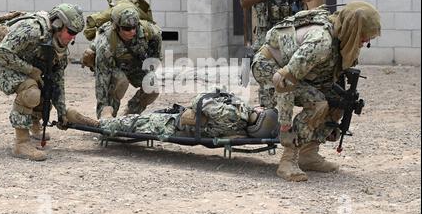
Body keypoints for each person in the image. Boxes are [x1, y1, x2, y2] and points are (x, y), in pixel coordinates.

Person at [251, 1, 381, 181]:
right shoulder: (321, 43)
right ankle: (288, 160)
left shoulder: (340, 35)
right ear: (352, 29)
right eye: (363, 36)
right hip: (270, 68)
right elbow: (284, 81)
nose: (365, 42)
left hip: (296, 72)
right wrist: (285, 125)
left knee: (337, 101)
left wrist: (329, 123)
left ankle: (308, 154)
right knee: (318, 103)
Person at [0, 4, 85, 161]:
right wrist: (31, 71)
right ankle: (21, 143)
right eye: (71, 32)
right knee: (31, 90)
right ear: (58, 24)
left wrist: (62, 113)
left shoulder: (58, 45)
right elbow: (3, 52)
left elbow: (57, 80)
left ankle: (34, 124)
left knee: (45, 86)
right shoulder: (32, 30)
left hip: (16, 60)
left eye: (76, 34)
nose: (73, 37)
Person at [240, 0, 314, 108]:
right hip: (267, 33)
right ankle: (268, 112)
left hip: (290, 32)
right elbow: (244, 1)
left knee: (293, 71)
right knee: (265, 72)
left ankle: (290, 106)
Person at [65, 91, 279, 140]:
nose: (259, 107)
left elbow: (200, 102)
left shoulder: (232, 114)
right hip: (180, 121)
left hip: (172, 125)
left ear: (259, 116)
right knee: (138, 121)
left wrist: (216, 94)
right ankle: (109, 120)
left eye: (262, 111)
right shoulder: (241, 128)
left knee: (133, 123)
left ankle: (99, 124)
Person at [83, 3, 163, 119]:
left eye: (134, 27)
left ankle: (129, 117)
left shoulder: (149, 31)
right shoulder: (106, 44)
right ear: (116, 27)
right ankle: (110, 121)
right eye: (126, 28)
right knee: (121, 83)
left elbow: (155, 58)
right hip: (113, 66)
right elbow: (102, 82)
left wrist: (149, 72)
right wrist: (103, 112)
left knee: (152, 86)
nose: (132, 32)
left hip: (133, 65)